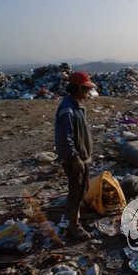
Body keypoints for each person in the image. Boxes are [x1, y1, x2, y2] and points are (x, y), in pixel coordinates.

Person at [54, 71, 95, 240]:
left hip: (82, 158)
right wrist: (75, 158)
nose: (88, 93)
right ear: (77, 88)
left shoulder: (77, 107)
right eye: (85, 89)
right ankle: (73, 226)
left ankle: (76, 217)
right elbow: (65, 137)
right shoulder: (67, 109)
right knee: (75, 192)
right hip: (75, 160)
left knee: (82, 189)